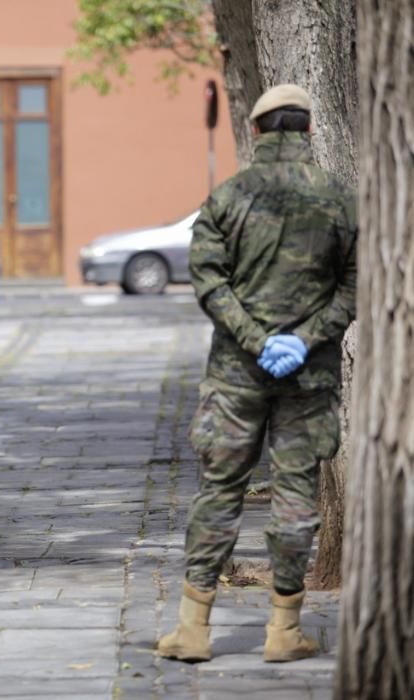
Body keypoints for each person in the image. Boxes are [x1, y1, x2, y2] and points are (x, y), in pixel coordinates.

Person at [157, 84, 357, 663]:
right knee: (295, 493)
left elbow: (207, 281)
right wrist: (304, 338)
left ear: (257, 131)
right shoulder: (339, 199)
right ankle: (283, 631)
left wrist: (254, 338)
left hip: (235, 376)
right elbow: (357, 284)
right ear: (310, 131)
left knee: (220, 491)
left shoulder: (229, 197)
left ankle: (193, 629)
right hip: (308, 377)